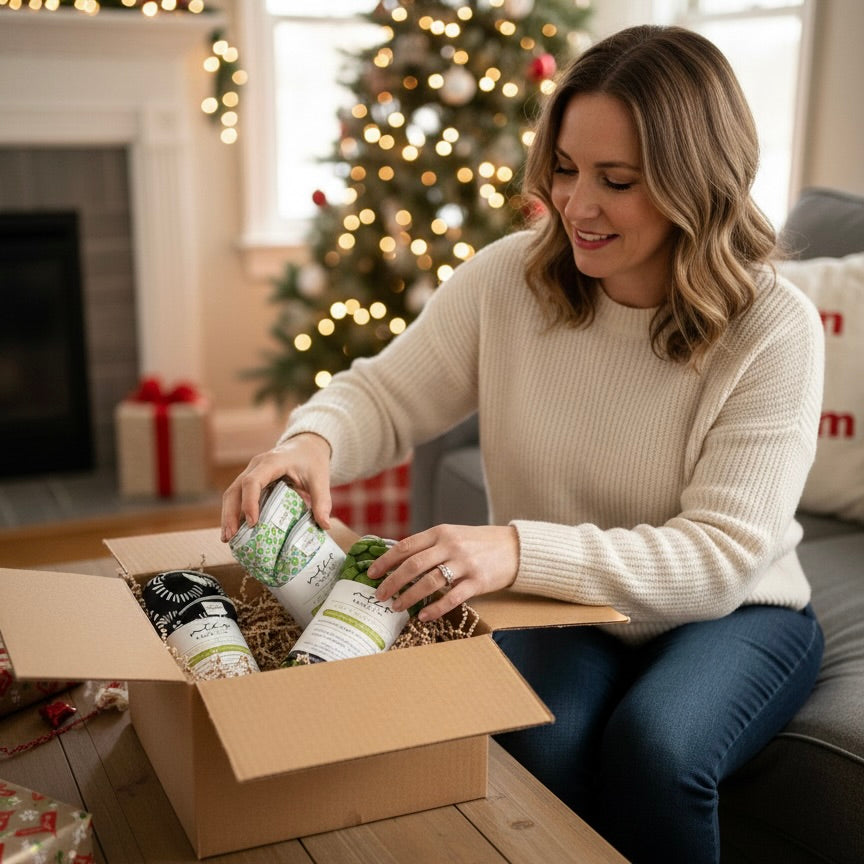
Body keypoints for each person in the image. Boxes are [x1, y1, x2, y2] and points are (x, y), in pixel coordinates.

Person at [221, 25, 825, 864]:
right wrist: (313, 441)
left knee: (656, 749)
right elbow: (385, 391)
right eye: (567, 169)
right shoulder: (513, 278)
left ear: (698, 184)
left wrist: (511, 548)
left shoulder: (774, 327)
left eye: (617, 180)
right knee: (534, 739)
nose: (576, 205)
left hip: (736, 612)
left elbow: (719, 556)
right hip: (564, 606)